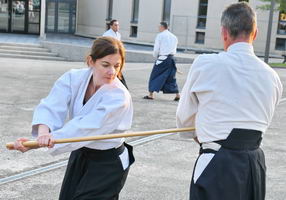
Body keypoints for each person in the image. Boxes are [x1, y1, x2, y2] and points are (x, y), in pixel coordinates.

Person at [176, 2, 283, 200]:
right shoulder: (272, 76)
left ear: (224, 32)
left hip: (216, 164)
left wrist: (203, 135)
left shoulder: (205, 64)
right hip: (254, 165)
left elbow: (184, 119)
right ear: (255, 33)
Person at [13, 36, 135, 200]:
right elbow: (52, 105)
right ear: (91, 61)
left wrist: (38, 144)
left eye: (117, 66)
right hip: (81, 154)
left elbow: (85, 128)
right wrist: (42, 134)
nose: (112, 71)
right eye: (105, 65)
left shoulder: (120, 97)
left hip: (108, 162)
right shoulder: (73, 78)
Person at [143, 22, 180, 101]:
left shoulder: (160, 36)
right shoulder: (174, 37)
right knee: (171, 77)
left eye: (159, 26)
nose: (158, 28)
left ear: (162, 27)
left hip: (162, 59)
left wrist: (156, 56)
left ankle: (150, 95)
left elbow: (156, 49)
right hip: (171, 59)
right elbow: (175, 49)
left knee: (154, 75)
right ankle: (177, 95)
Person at [103, 19, 128, 89]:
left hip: (116, 57)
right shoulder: (107, 35)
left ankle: (122, 86)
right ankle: (123, 87)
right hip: (109, 57)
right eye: (115, 25)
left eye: (118, 25)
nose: (117, 27)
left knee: (117, 72)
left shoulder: (118, 35)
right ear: (111, 26)